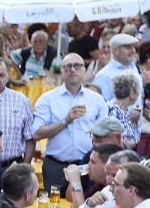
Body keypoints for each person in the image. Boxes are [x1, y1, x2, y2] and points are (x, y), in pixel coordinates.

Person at [31, 53, 109, 193]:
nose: (72, 69)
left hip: (88, 167)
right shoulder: (48, 99)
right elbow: (36, 133)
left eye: (77, 66)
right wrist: (66, 120)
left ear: (84, 70)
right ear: (62, 71)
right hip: (57, 166)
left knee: (86, 207)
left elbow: (105, 133)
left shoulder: (97, 100)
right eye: (68, 66)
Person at [90, 33, 139, 98]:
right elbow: (101, 105)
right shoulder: (104, 76)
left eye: (133, 47)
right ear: (115, 51)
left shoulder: (133, 67)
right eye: (128, 47)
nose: (133, 50)